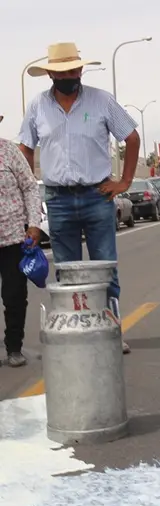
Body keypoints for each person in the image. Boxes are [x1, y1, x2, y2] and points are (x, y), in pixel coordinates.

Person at [19, 42, 139, 354]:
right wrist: (29, 182)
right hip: (58, 199)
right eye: (61, 71)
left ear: (81, 69)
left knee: (105, 268)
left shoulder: (102, 101)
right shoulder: (37, 107)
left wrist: (124, 181)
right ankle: (77, 329)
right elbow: (25, 147)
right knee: (67, 270)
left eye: (73, 70)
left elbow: (131, 136)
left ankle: (111, 328)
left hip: (96, 195)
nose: (68, 75)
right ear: (50, 74)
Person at [0, 125, 44, 368]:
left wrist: (34, 224)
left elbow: (30, 186)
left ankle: (14, 348)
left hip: (13, 238)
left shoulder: (9, 151)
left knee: (14, 296)